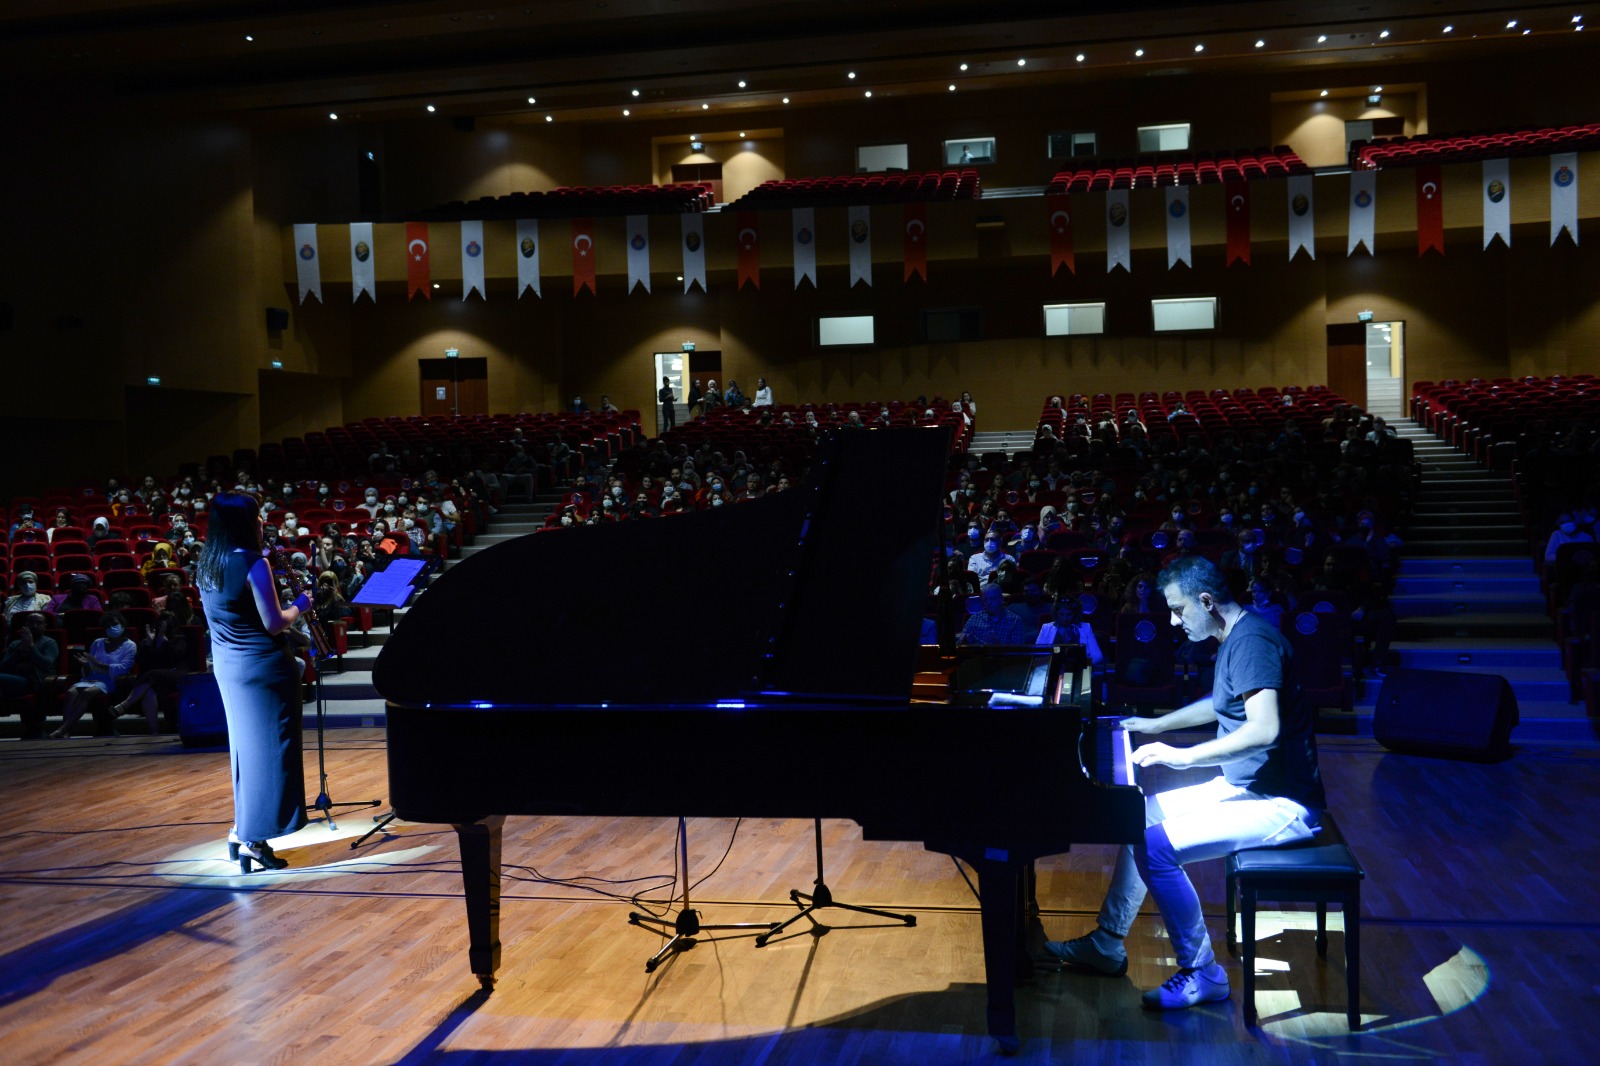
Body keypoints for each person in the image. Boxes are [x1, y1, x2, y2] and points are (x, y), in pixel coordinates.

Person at [1043, 555, 1324, 1012]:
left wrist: (1183, 755)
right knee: (1139, 815)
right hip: (1247, 787)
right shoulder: (1235, 636)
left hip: (1284, 803)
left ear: (1207, 601)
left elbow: (1264, 728)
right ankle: (1109, 942)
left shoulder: (1252, 643)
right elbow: (1220, 704)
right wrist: (1157, 725)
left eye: (1178, 610)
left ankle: (1203, 973)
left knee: (1156, 847)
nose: (1173, 622)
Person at [195, 492, 312, 873]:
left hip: (229, 667)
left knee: (246, 753)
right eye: (259, 517)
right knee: (271, 754)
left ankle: (241, 831)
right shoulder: (252, 562)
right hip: (263, 669)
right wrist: (302, 605)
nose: (263, 523)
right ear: (246, 523)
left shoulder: (207, 563)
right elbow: (275, 622)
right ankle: (253, 839)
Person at [50, 611, 138, 738]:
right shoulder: (98, 642)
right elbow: (90, 667)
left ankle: (63, 730)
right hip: (91, 678)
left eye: (114, 624)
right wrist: (86, 665)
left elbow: (123, 668)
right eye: (107, 626)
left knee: (87, 692)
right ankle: (66, 732)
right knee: (71, 692)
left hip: (111, 680)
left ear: (122, 625)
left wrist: (98, 664)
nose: (111, 628)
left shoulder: (129, 645)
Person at [108, 611, 187, 735]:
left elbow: (175, 657)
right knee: (149, 692)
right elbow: (140, 661)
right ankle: (154, 732)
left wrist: (164, 642)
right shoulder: (150, 639)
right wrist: (150, 644)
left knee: (152, 674)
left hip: (175, 675)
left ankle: (125, 704)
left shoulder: (178, 639)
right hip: (154, 679)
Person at [1035, 595, 1104, 665]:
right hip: (1052, 668)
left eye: (1069, 614)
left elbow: (1098, 656)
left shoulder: (1086, 627)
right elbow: (1037, 654)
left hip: (1078, 669)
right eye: (1061, 614)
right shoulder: (1046, 628)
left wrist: (1079, 665)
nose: (1065, 618)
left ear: (1075, 614)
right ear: (1056, 613)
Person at [958, 582, 1033, 646]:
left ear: (1001, 599)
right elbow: (959, 643)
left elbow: (1018, 652)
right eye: (985, 600)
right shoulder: (975, 618)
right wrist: (965, 641)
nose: (988, 603)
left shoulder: (1014, 621)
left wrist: (998, 645)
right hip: (977, 659)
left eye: (992, 599)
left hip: (1004, 661)